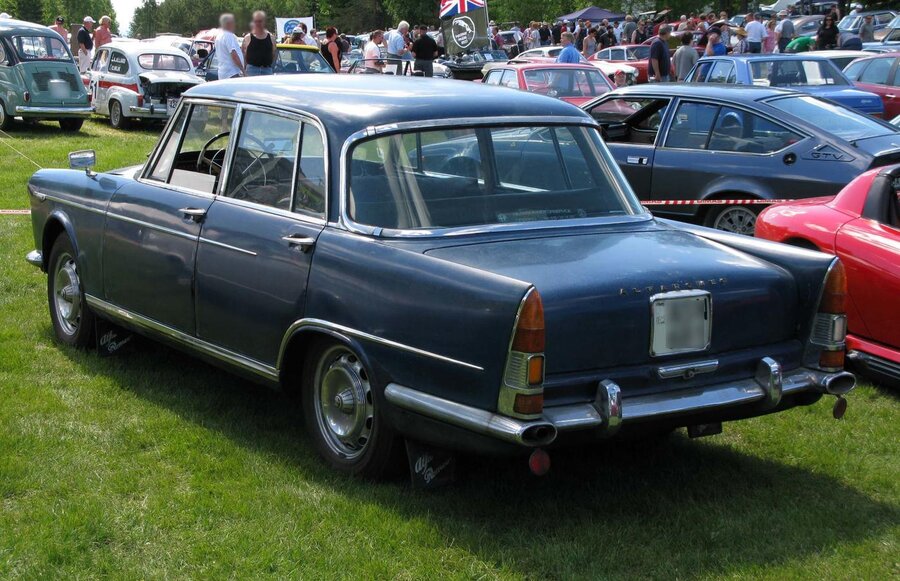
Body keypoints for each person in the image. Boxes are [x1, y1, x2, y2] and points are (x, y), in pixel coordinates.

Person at [242, 11, 276, 76]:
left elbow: (273, 53)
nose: (258, 24)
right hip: (251, 70)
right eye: (256, 21)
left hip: (267, 70)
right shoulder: (248, 37)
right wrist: (244, 71)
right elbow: (244, 55)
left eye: (260, 21)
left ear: (264, 22)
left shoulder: (271, 38)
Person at [215, 14, 245, 79]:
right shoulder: (228, 35)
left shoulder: (219, 36)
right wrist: (243, 70)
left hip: (223, 73)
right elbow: (234, 55)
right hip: (232, 72)